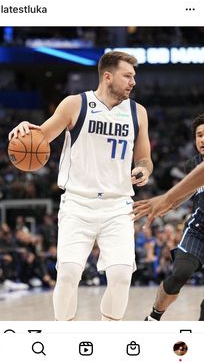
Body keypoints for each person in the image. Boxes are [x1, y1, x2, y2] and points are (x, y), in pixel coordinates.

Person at [9, 51, 153, 321]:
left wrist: (143, 169)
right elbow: (42, 136)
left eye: (134, 77)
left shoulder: (138, 112)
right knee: (69, 272)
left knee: (122, 275)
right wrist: (24, 130)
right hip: (78, 202)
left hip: (118, 204)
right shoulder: (76, 104)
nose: (133, 82)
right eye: (128, 76)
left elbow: (144, 157)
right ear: (108, 76)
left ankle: (106, 335)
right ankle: (64, 333)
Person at [133, 114, 204, 321]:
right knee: (180, 274)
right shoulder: (193, 164)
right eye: (199, 135)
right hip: (198, 230)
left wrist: (165, 199)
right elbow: (190, 191)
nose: (202, 139)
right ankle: (153, 317)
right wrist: (167, 204)